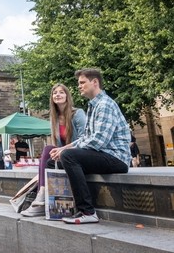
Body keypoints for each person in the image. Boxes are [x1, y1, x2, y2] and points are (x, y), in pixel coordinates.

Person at [50, 68, 131, 224]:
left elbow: (98, 141)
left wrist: (67, 151)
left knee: (68, 156)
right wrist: (62, 149)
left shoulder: (105, 104)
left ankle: (87, 211)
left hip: (116, 157)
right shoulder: (93, 106)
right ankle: (61, 206)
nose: (79, 86)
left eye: (82, 82)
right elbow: (87, 137)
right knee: (55, 160)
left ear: (94, 82)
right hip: (103, 155)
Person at [21, 83, 86, 217]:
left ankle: (40, 198)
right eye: (55, 92)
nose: (58, 94)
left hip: (79, 153)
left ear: (67, 96)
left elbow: (84, 139)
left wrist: (63, 149)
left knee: (50, 150)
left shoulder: (78, 114)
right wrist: (58, 152)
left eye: (61, 92)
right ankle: (42, 194)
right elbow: (56, 144)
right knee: (48, 148)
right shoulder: (54, 118)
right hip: (64, 155)